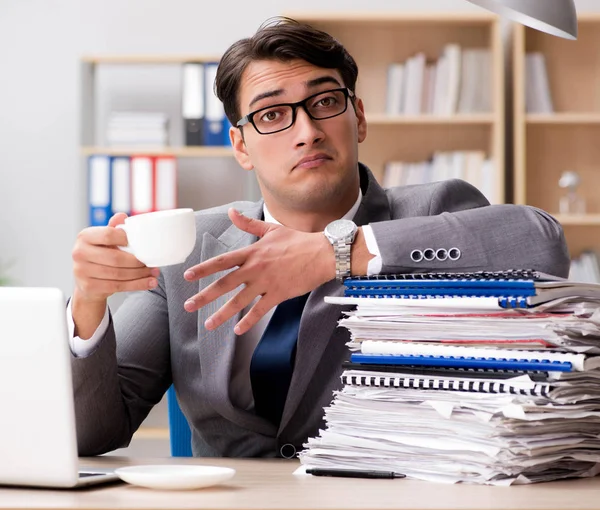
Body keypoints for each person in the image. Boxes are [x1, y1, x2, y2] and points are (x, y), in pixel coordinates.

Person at [69, 17, 570, 459]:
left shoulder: (434, 209)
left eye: (326, 101)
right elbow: (92, 434)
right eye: (272, 114)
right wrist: (89, 305)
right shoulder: (190, 248)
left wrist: (338, 253)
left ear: (360, 118)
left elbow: (540, 242)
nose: (306, 131)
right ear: (241, 147)